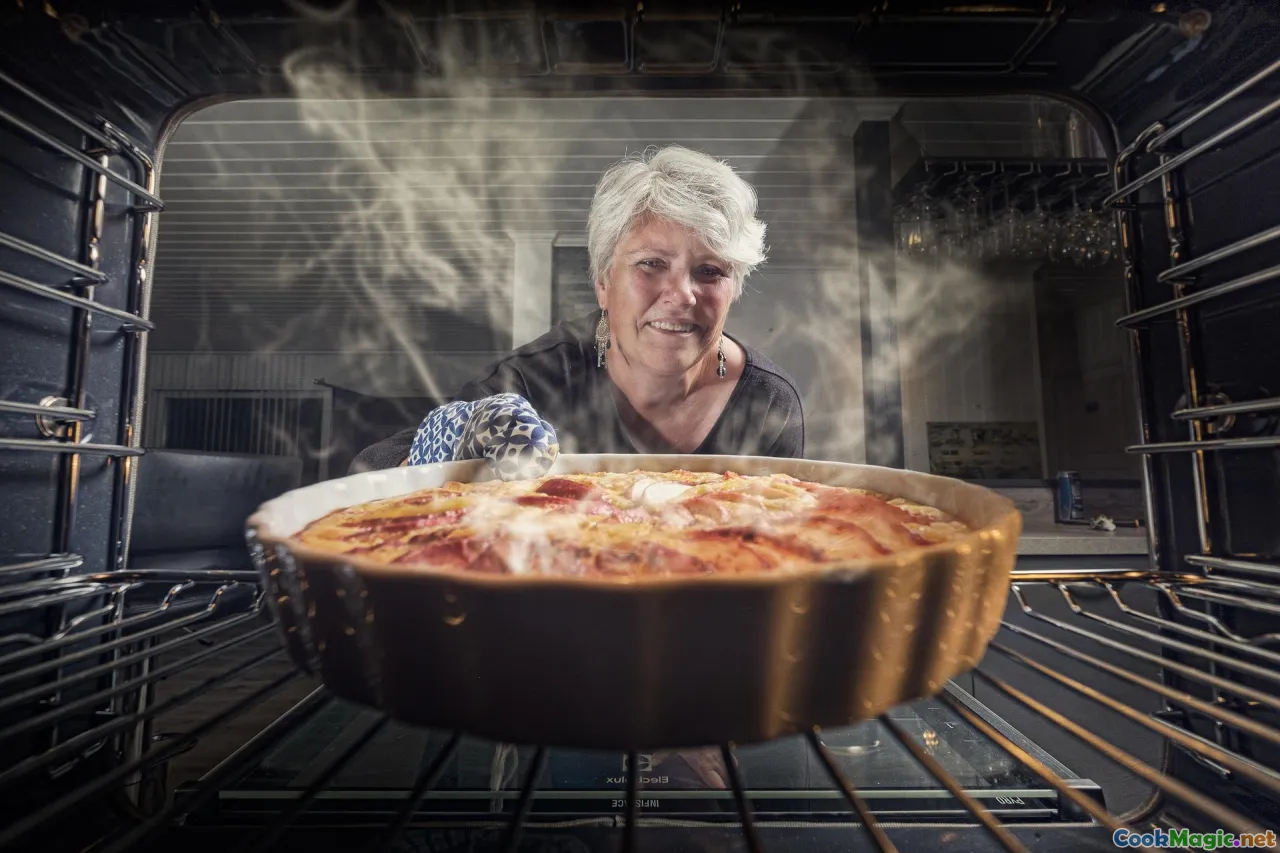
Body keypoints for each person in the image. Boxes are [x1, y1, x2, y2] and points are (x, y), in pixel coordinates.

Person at [353, 144, 805, 474]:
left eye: (709, 271)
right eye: (651, 264)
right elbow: (370, 476)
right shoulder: (538, 380)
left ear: (734, 289)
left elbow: (779, 552)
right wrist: (443, 450)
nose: (683, 294)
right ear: (604, 283)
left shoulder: (768, 403)